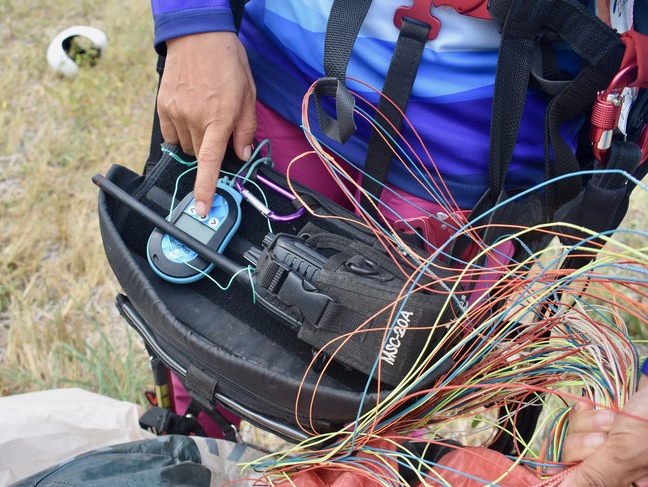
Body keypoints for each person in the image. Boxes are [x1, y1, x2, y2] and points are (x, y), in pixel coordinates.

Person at [150, 1, 648, 485]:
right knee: (201, 307)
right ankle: (189, 446)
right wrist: (193, 21)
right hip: (270, 83)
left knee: (377, 399)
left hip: (481, 168)